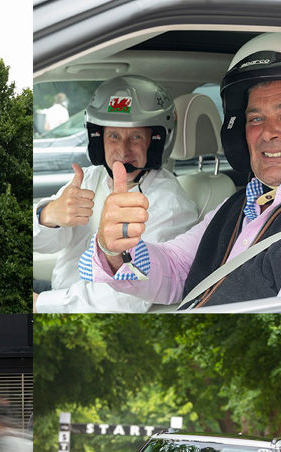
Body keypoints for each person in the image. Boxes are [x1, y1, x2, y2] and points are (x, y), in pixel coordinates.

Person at [85, 33, 281, 308]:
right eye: (256, 118)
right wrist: (116, 251)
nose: (267, 134)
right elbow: (178, 268)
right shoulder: (241, 203)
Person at [33, 75, 198, 313]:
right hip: (58, 295)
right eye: (114, 136)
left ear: (155, 142)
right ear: (98, 140)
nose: (123, 151)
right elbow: (41, 245)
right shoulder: (91, 178)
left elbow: (123, 297)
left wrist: (40, 304)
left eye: (136, 137)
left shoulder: (169, 205)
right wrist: (48, 215)